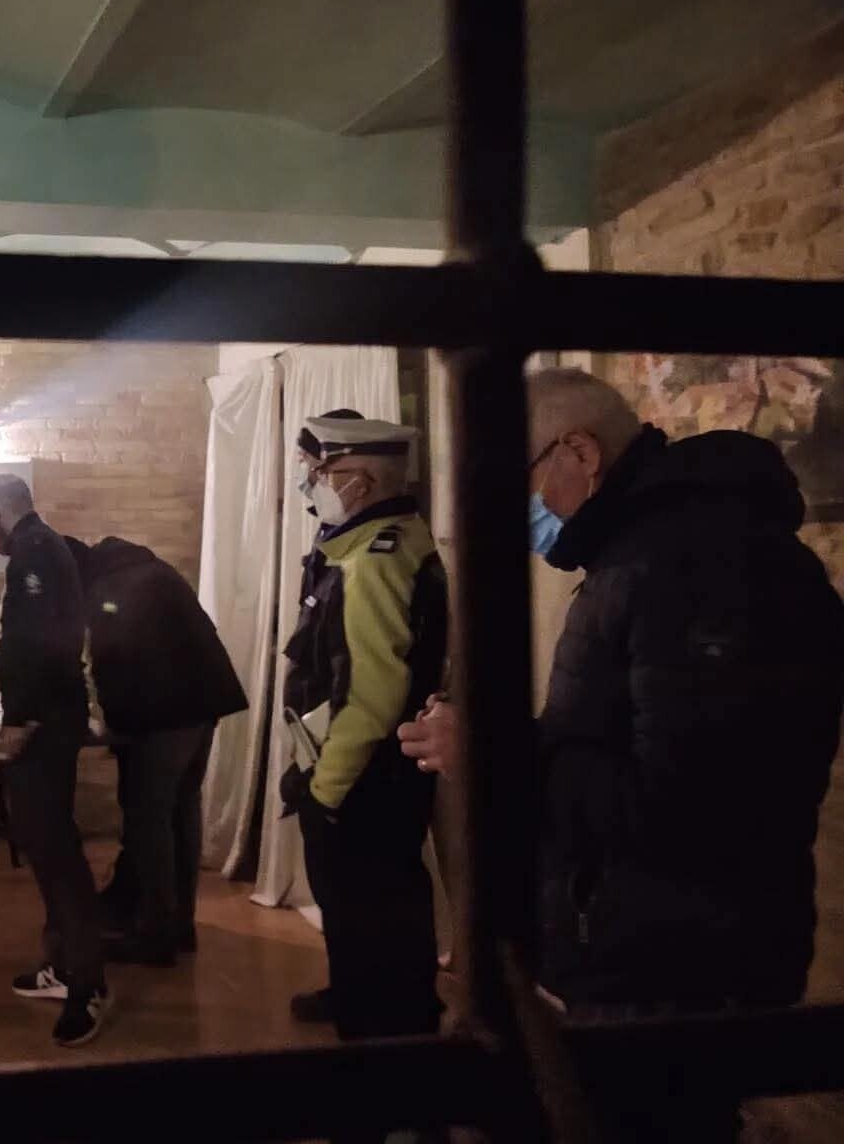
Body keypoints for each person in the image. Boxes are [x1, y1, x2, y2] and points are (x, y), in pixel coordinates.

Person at [399, 369, 844, 1142]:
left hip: (680, 961)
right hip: (653, 944)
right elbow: (624, 750)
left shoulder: (697, 566)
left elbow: (688, 810)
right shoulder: (653, 554)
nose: (518, 512)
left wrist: (493, 755)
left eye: (520, 482)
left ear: (580, 452)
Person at [279, 411, 448, 1043]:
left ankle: (383, 1035)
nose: (311, 484)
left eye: (321, 472)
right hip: (366, 765)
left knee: (370, 905)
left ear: (362, 481)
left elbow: (372, 695)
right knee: (364, 906)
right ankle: (358, 993)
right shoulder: (364, 541)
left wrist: (326, 791)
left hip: (363, 773)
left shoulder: (373, 560)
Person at [0, 475, 110, 1047]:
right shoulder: (39, 547)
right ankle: (64, 966)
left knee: (57, 854)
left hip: (44, 722)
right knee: (45, 848)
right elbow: (33, 635)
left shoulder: (35, 551)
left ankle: (87, 984)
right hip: (48, 715)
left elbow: (44, 646)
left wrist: (19, 717)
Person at [63, 536, 248, 966]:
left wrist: (102, 723)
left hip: (164, 717)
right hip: (202, 707)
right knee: (181, 814)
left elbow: (110, 661)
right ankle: (179, 924)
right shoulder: (143, 569)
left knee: (150, 822)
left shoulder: (110, 586)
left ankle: (155, 934)